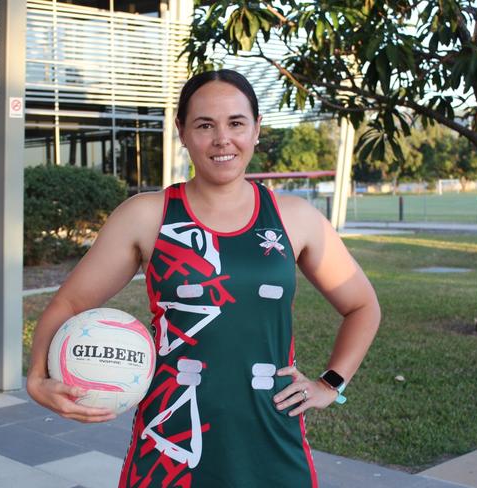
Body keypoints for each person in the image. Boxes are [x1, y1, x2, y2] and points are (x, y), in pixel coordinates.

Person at [27, 69, 381, 487]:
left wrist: (330, 383)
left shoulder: (295, 217)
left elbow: (362, 306)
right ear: (181, 131)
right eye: (204, 125)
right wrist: (36, 379)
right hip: (170, 440)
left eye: (236, 123)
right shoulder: (147, 215)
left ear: (256, 129)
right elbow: (68, 304)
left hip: (271, 435)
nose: (222, 140)